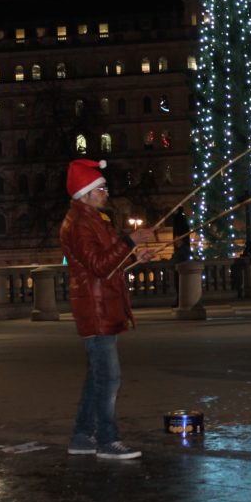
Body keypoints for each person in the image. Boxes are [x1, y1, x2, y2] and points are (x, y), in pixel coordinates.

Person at [59, 158, 159, 460]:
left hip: (102, 304)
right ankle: (106, 440)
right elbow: (100, 267)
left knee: (98, 377)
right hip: (95, 308)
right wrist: (129, 240)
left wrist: (135, 256)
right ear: (85, 193)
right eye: (100, 188)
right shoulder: (79, 224)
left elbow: (109, 262)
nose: (106, 192)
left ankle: (81, 436)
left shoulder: (93, 220)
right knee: (109, 378)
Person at [170, 207, 192, 307]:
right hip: (182, 253)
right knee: (179, 283)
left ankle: (181, 300)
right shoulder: (183, 221)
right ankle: (180, 300)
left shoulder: (179, 222)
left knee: (179, 282)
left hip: (181, 257)